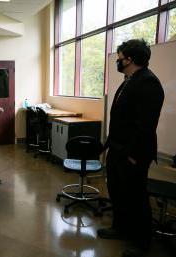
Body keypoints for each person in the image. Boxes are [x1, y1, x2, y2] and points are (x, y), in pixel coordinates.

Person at [98, 39, 164, 257]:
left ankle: (141, 242)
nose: (117, 61)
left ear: (131, 59)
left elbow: (145, 125)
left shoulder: (148, 82)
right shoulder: (129, 79)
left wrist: (133, 155)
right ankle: (120, 228)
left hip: (133, 153)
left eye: (119, 58)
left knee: (136, 196)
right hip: (118, 149)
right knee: (117, 191)